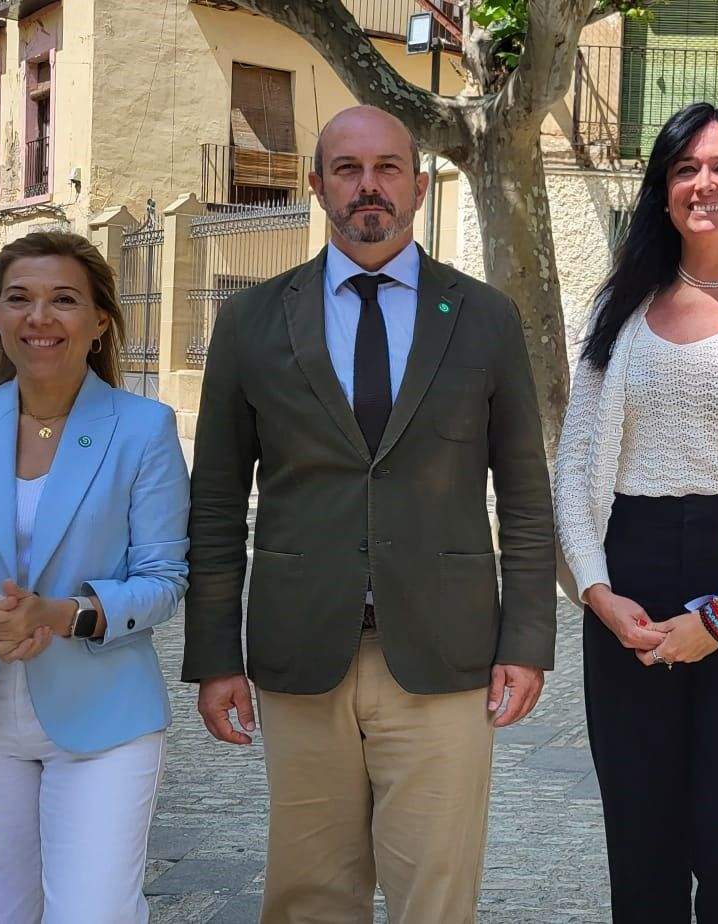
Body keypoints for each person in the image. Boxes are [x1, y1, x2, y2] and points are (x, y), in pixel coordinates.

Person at [183, 105, 556, 923]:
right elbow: (214, 503)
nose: (368, 187)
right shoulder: (252, 321)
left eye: (388, 168)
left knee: (436, 894)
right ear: (316, 186)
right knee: (309, 894)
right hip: (300, 650)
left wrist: (526, 643)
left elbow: (526, 494)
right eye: (347, 169)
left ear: (419, 187)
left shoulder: (485, 318)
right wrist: (215, 655)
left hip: (444, 654)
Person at [552, 103, 718, 924]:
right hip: (626, 591)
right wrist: (597, 594)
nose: (705, 184)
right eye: (685, 169)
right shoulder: (617, 311)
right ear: (663, 190)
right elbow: (572, 472)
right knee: (641, 846)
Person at [0, 231, 189, 922]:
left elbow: (164, 577)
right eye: (19, 298)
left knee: (94, 913)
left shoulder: (143, 428)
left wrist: (59, 615)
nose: (38, 317)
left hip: (103, 715)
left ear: (100, 319)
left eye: (63, 300)